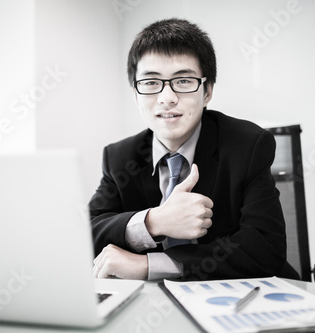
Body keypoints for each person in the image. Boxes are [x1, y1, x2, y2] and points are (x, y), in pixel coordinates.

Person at [89, 18, 299, 281]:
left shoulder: (248, 145)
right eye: (151, 83)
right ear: (135, 94)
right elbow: (86, 234)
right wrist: (154, 222)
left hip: (238, 299)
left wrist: (149, 265)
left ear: (207, 91)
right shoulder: (120, 157)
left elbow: (265, 250)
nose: (167, 98)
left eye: (184, 81)